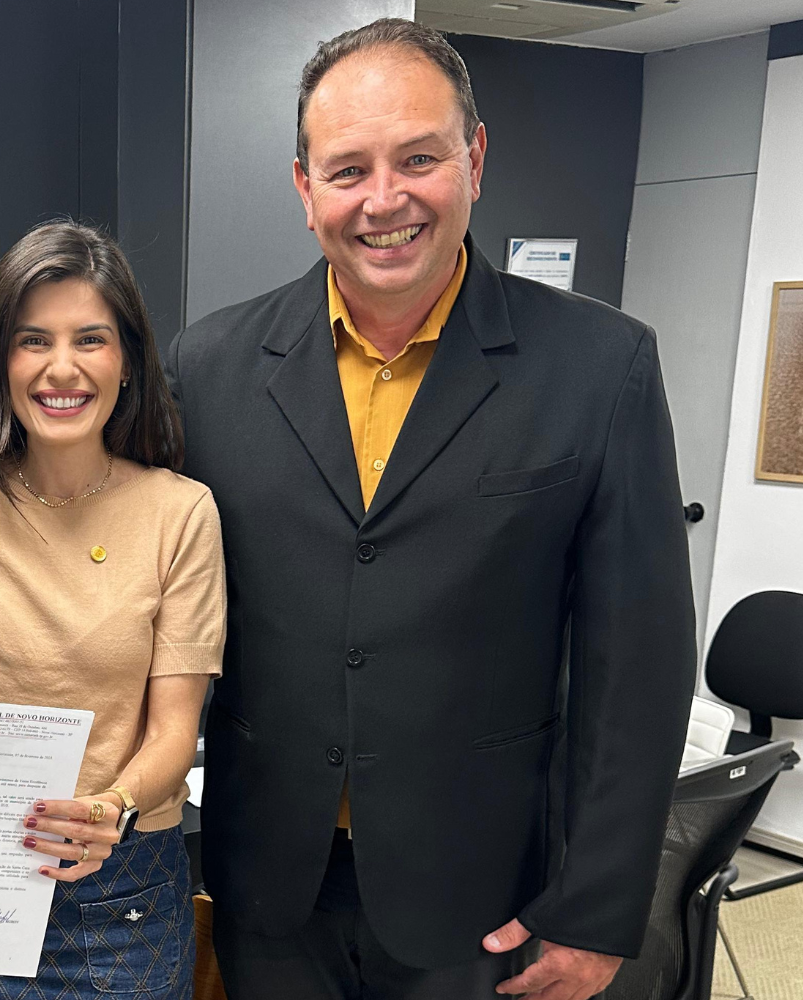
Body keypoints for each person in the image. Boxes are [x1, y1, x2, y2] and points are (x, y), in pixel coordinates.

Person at [165, 19, 695, 1000]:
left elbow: (638, 667)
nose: (384, 200)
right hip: (269, 884)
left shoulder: (600, 367)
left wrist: (596, 906)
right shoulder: (209, 366)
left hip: (484, 893)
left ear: (474, 159)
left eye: (418, 159)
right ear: (304, 189)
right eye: (348, 170)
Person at [0, 220, 224, 1000]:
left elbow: (174, 731)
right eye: (33, 341)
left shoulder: (180, 513)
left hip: (119, 892)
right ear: (0, 360)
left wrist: (111, 808)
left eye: (90, 339)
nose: (62, 368)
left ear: (127, 360)